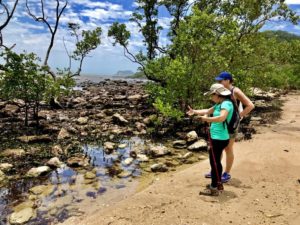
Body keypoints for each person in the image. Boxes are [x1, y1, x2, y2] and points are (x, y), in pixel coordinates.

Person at [205, 71, 255, 183]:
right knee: (218, 148)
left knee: (228, 148)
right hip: (222, 123)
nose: (218, 82)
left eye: (220, 80)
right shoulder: (222, 92)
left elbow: (250, 105)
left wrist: (238, 116)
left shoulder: (235, 91)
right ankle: (215, 170)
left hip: (231, 125)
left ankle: (226, 173)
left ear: (228, 80)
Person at [187, 83, 233, 196]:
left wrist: (206, 120)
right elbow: (208, 110)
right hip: (217, 137)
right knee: (215, 162)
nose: (211, 97)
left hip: (219, 138)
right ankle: (216, 183)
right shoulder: (219, 104)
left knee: (215, 163)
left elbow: (222, 117)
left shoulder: (226, 104)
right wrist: (195, 112)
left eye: (212, 95)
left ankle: (214, 188)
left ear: (217, 94)